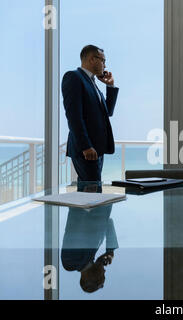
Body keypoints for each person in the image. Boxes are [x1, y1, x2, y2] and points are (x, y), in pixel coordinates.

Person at [62, 45, 120, 182]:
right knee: (91, 192)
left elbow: (108, 112)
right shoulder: (74, 77)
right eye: (103, 61)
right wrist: (86, 146)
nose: (105, 66)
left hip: (96, 149)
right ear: (93, 59)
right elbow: (74, 116)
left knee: (91, 191)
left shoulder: (92, 83)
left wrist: (110, 86)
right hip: (86, 150)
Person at [61, 182, 118, 293]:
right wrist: (110, 250)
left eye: (103, 276)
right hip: (96, 197)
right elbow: (108, 223)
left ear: (93, 277)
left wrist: (85, 198)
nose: (105, 271)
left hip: (88, 196)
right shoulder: (91, 255)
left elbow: (74, 228)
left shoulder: (71, 263)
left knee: (90, 167)